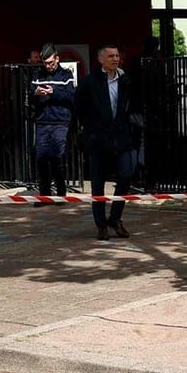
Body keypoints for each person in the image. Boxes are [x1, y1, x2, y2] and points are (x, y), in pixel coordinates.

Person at [77, 45, 142, 240]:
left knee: (126, 175)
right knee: (98, 184)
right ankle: (101, 224)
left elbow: (135, 104)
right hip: (98, 140)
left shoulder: (126, 80)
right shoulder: (90, 82)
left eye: (117, 56)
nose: (115, 59)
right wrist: (89, 131)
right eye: (110, 56)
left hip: (122, 138)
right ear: (101, 60)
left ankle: (115, 218)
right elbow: (79, 108)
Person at [28, 43, 78, 199]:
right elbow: (29, 98)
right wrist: (35, 93)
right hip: (42, 121)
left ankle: (61, 193)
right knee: (41, 157)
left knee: (57, 157)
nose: (48, 66)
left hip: (60, 122)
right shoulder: (38, 74)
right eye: (45, 63)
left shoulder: (66, 75)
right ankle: (45, 195)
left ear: (57, 58)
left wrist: (53, 92)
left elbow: (71, 98)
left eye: (51, 62)